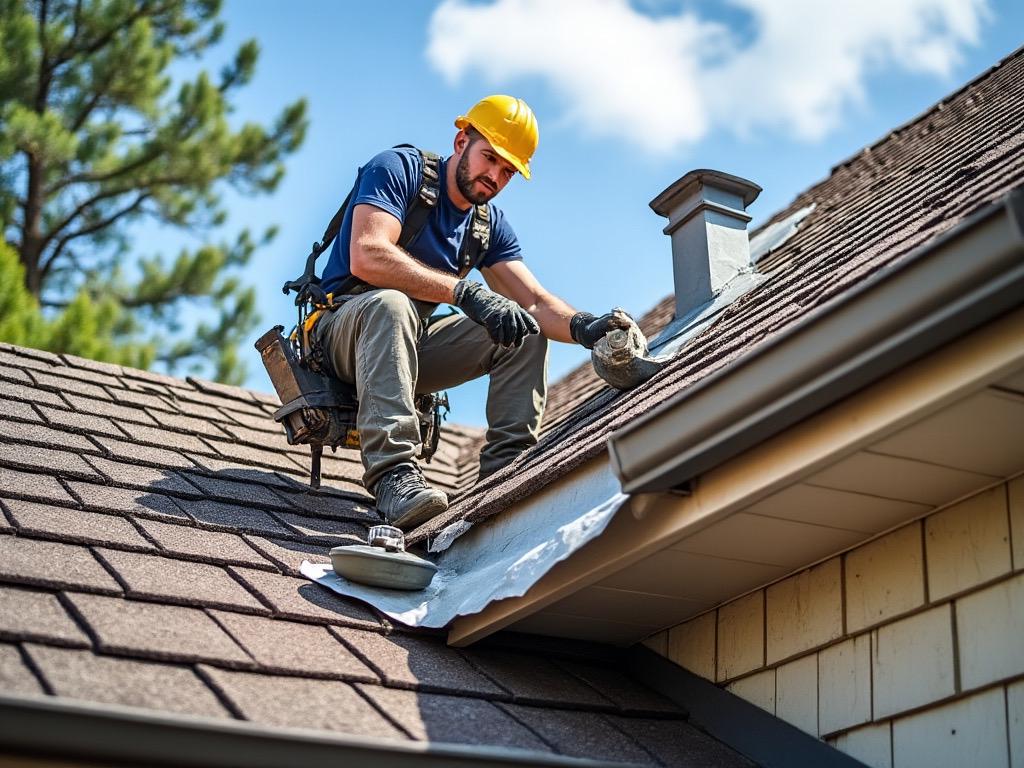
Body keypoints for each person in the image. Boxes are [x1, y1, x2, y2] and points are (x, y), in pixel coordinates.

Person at [314, 95, 627, 530]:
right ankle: (393, 476)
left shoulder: (487, 226)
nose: (495, 176)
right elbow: (367, 254)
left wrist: (584, 327)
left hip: (408, 345)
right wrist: (463, 292)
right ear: (461, 141)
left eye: (508, 171)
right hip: (341, 334)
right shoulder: (398, 169)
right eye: (490, 158)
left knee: (525, 328)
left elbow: (535, 301)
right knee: (392, 304)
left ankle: (505, 476)